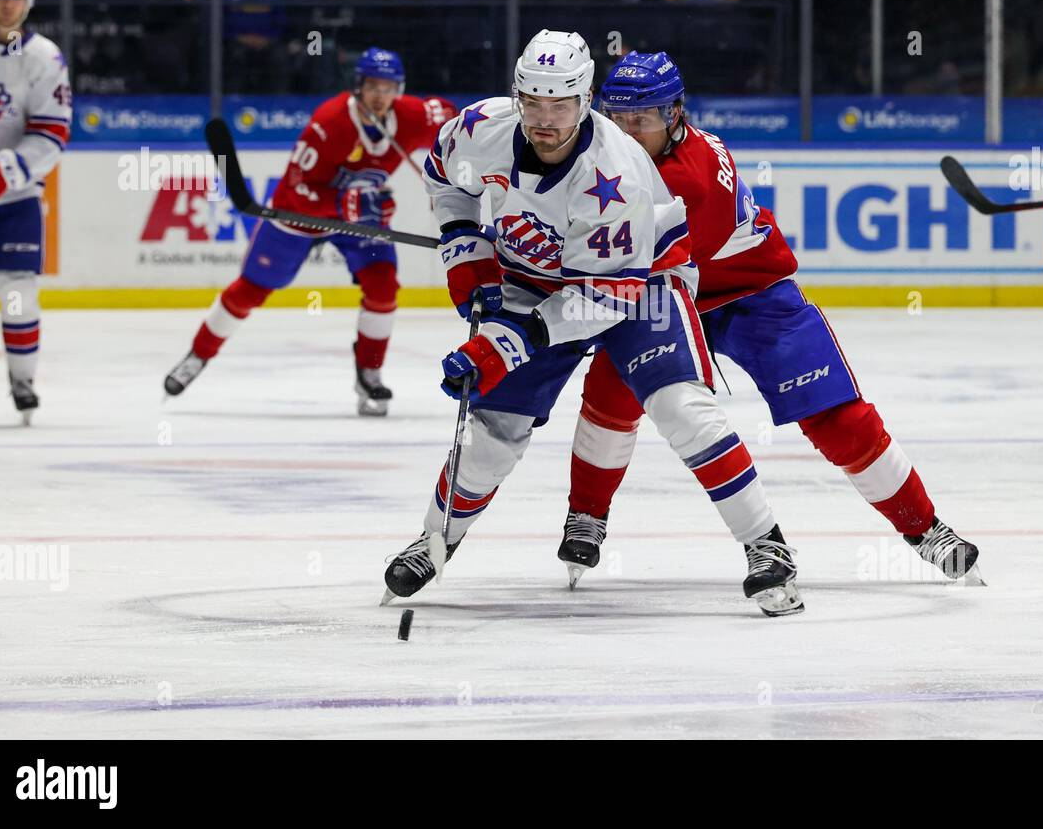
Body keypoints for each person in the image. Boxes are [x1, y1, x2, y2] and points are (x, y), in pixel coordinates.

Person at [381, 30, 804, 616]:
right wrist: (466, 252)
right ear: (516, 96)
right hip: (536, 282)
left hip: (641, 284)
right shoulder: (480, 129)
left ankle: (767, 546)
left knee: (682, 407)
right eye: (532, 102)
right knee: (495, 424)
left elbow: (605, 298)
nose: (544, 120)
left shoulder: (617, 173)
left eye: (560, 105)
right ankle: (435, 539)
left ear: (585, 103)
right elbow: (444, 179)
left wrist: (509, 341)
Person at [554, 52, 979, 585]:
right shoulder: (601, 151)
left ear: (675, 115)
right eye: (615, 119)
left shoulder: (694, 178)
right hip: (666, 288)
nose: (626, 132)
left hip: (749, 293)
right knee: (610, 395)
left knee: (836, 417)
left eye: (640, 121)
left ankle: (926, 529)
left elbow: (626, 262)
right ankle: (586, 517)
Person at [163, 49, 457, 416]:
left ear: (399, 89)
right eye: (372, 86)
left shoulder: (412, 116)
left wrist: (449, 182)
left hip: (362, 219)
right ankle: (197, 355)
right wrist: (349, 206)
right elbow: (300, 188)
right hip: (297, 215)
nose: (380, 95)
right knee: (249, 291)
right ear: (358, 87)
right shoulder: (329, 122)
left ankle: (369, 372)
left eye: (388, 87)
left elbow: (456, 122)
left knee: (383, 288)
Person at [0, 0, 73, 423]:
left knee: (17, 294)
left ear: (28, 3)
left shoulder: (44, 58)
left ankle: (23, 381)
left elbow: (52, 133)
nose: (8, 4)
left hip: (16, 197)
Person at [223, 0, 287, 93]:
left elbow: (281, 24)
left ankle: (279, 102)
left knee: (279, 55)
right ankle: (234, 99)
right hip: (237, 43)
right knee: (236, 55)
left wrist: (267, 39)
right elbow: (222, 25)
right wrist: (239, 38)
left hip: (267, 44)